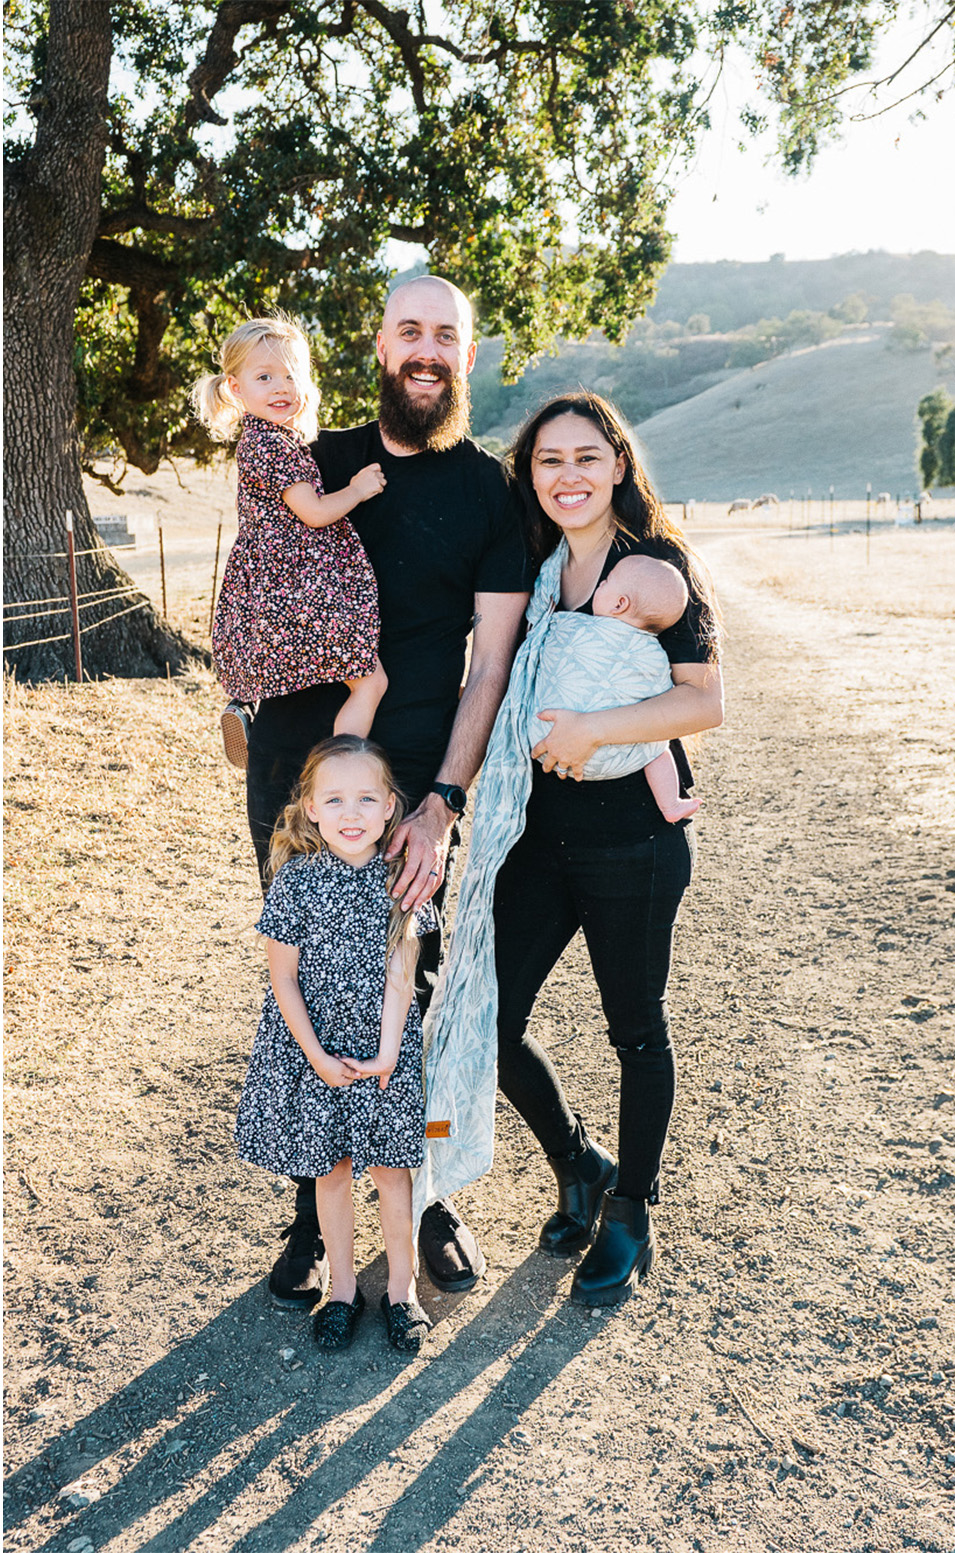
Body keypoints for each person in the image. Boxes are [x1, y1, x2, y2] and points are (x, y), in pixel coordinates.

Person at [242, 277, 530, 1309]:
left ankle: (432, 1198)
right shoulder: (311, 462)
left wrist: (442, 800)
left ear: (465, 352)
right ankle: (307, 1216)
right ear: (377, 344)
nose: (426, 350)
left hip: (412, 777)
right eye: (409, 330)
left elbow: (489, 663)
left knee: (424, 991)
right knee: (306, 975)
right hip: (297, 767)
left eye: (445, 335)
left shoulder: (487, 491)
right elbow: (250, 588)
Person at [415, 391, 722, 1307]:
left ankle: (629, 1209)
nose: (568, 476)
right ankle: (578, 1160)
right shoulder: (538, 571)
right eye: (549, 461)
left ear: (618, 464)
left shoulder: (656, 569)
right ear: (531, 478)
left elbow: (702, 701)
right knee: (489, 1019)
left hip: (631, 837)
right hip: (536, 832)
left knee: (635, 1027)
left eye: (586, 457)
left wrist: (595, 729)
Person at [236, 736, 435, 1352]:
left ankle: (402, 1291)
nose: (351, 813)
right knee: (331, 1170)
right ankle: (343, 1288)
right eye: (335, 799)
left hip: (382, 1053)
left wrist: (388, 1052)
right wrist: (316, 1056)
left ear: (389, 809)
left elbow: (404, 973)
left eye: (366, 799)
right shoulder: (294, 882)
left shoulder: (402, 878)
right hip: (314, 1050)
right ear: (313, 809)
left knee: (393, 1171)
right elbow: (283, 978)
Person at [192, 315, 388, 766]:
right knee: (370, 682)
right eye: (265, 377)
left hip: (274, 588)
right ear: (236, 389)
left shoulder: (263, 439)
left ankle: (244, 707)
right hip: (301, 590)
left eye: (291, 375)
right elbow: (315, 512)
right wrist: (358, 489)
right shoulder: (273, 446)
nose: (281, 387)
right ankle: (341, 767)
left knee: (280, 668)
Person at [534, 552, 701, 822]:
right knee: (657, 749)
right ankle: (670, 803)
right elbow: (662, 693)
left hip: (550, 744)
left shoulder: (576, 625)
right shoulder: (654, 653)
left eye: (607, 582)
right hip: (624, 758)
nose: (601, 584)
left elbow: (548, 631)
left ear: (620, 603)